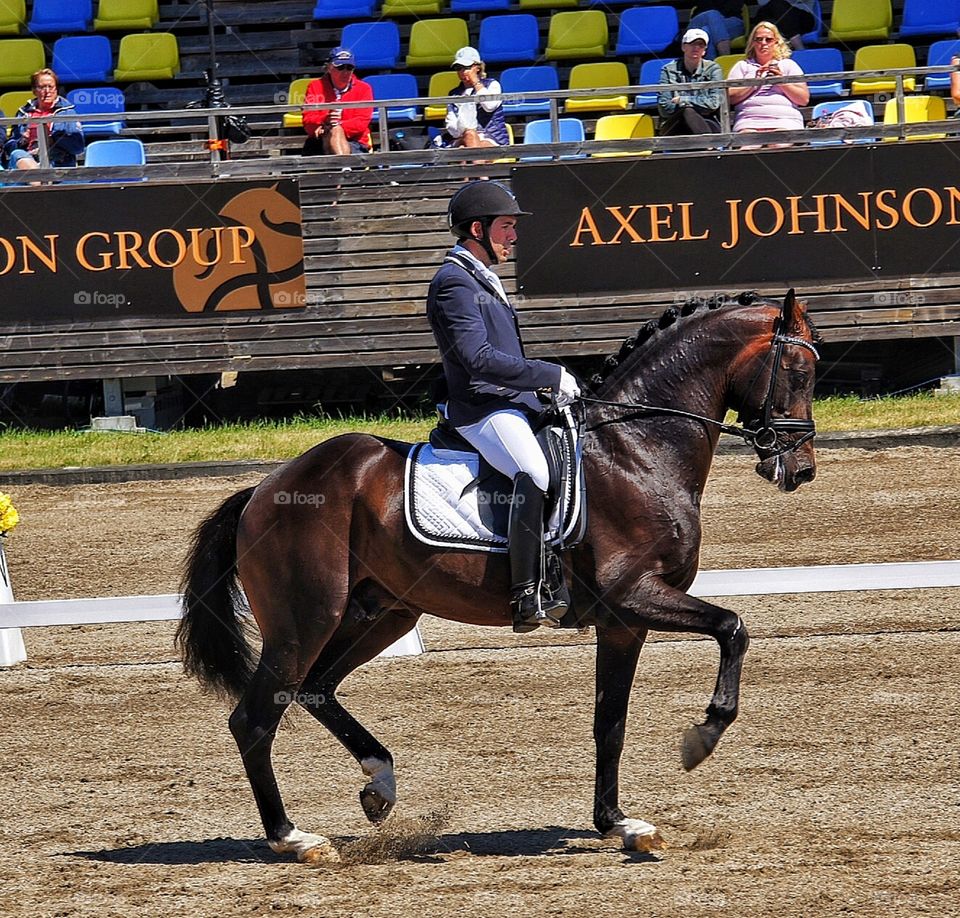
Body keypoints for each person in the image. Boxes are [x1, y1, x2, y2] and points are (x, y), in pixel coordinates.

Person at [425, 181, 580, 632]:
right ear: (478, 228)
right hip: (481, 408)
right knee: (533, 472)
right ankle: (527, 591)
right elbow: (478, 360)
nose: (514, 236)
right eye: (507, 227)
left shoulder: (480, 275)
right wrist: (548, 375)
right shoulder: (453, 282)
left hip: (509, 399)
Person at [727, 21, 808, 140]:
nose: (763, 43)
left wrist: (780, 81)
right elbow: (731, 98)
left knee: (778, 145)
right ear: (753, 43)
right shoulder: (742, 66)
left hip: (785, 121)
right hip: (749, 121)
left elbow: (803, 99)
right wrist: (755, 83)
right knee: (748, 147)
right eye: (759, 39)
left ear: (776, 42)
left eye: (768, 39)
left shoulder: (788, 65)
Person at [3, 68, 83, 171]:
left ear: (56, 89)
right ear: (34, 90)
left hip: (57, 162)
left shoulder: (67, 112)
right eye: (42, 87)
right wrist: (22, 141)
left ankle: (37, 182)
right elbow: (9, 147)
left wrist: (54, 139)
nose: (47, 91)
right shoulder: (24, 113)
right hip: (27, 159)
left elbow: (78, 147)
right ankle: (38, 181)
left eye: (50, 87)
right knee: (17, 153)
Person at [302, 46, 374, 157]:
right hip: (319, 140)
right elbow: (308, 119)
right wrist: (325, 121)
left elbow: (362, 121)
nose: (345, 72)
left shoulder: (364, 88)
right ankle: (344, 168)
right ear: (329, 68)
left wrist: (334, 127)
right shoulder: (315, 87)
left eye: (349, 67)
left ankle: (342, 166)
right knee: (329, 136)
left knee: (335, 130)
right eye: (340, 67)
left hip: (354, 141)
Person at [436, 47, 508, 149]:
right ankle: (476, 163)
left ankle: (472, 162)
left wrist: (475, 82)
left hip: (491, 138)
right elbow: (452, 129)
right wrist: (466, 129)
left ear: (477, 68)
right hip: (462, 137)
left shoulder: (492, 85)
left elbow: (489, 106)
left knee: (465, 149)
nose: (463, 71)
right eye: (458, 68)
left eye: (466, 67)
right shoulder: (453, 94)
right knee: (469, 136)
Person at [658, 28, 724, 136]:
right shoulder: (668, 70)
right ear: (683, 46)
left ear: (705, 50)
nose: (696, 48)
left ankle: (707, 146)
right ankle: (709, 147)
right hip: (676, 124)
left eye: (701, 45)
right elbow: (665, 107)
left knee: (687, 109)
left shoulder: (713, 69)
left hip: (707, 122)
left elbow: (714, 103)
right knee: (687, 111)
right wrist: (697, 105)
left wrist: (682, 100)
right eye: (692, 43)